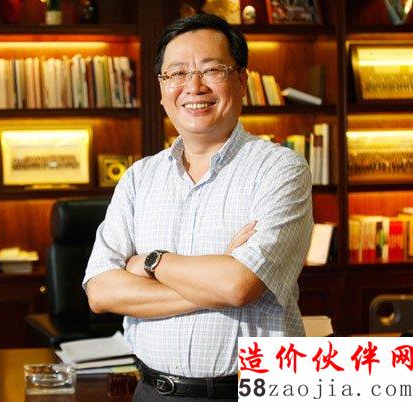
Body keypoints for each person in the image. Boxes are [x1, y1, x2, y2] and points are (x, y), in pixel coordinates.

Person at [83, 13, 313, 402]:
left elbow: (238, 285)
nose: (194, 86)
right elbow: (102, 292)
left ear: (242, 81)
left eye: (211, 70)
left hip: (249, 392)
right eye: (177, 73)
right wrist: (214, 277)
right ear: (161, 89)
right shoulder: (139, 178)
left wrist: (151, 263)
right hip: (152, 391)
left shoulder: (280, 169)